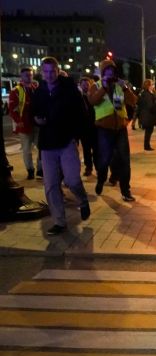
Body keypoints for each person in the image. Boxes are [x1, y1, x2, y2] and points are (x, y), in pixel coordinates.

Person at [31, 57, 90, 235]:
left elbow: (82, 113)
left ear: (58, 71)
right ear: (42, 72)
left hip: (66, 141)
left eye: (52, 71)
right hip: (47, 144)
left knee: (72, 180)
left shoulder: (69, 89)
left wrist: (76, 135)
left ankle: (83, 199)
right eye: (46, 71)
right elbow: (34, 111)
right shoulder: (39, 91)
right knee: (50, 185)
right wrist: (37, 119)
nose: (49, 75)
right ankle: (59, 221)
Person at [88, 60, 138, 202]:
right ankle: (101, 179)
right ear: (103, 73)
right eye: (107, 72)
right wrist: (103, 88)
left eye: (112, 72)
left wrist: (126, 88)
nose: (110, 74)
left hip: (120, 128)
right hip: (104, 129)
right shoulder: (96, 86)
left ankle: (125, 190)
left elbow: (133, 101)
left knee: (124, 160)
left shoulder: (120, 85)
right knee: (104, 159)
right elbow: (92, 101)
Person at [9, 67, 41, 180]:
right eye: (26, 75)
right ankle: (30, 170)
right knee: (27, 151)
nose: (29, 76)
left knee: (42, 148)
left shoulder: (36, 88)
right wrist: (18, 121)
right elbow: (12, 109)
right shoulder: (16, 90)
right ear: (21, 76)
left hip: (37, 124)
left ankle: (40, 170)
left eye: (30, 74)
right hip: (25, 125)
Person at [77, 76, 98, 177]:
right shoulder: (78, 97)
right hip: (83, 128)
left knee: (97, 149)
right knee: (86, 150)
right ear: (80, 85)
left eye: (87, 84)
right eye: (83, 84)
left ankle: (98, 167)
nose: (85, 86)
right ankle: (88, 167)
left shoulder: (93, 97)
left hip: (95, 127)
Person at [137, 79, 156, 151]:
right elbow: (150, 106)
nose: (153, 86)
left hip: (146, 115)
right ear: (148, 86)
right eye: (152, 84)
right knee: (149, 130)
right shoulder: (147, 94)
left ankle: (147, 145)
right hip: (148, 115)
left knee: (149, 131)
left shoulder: (145, 93)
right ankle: (147, 146)